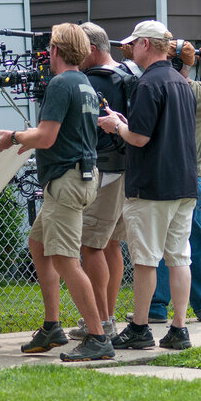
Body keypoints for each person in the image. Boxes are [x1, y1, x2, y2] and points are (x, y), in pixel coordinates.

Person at [0, 22, 114, 362]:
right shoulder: (84, 83)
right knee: (39, 244)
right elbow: (51, 131)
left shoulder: (61, 84)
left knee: (67, 262)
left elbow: (45, 138)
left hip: (66, 182)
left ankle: (98, 337)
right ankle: (52, 326)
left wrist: (13, 138)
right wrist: (20, 134)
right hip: (83, 177)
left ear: (55, 51)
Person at [98, 20, 198, 350]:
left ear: (145, 44)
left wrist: (116, 126)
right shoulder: (181, 82)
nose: (129, 49)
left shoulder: (148, 84)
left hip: (151, 186)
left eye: (133, 44)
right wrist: (127, 125)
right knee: (179, 258)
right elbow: (159, 130)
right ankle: (179, 328)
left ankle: (140, 327)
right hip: (184, 183)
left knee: (145, 260)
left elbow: (139, 138)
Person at [148, 41, 201, 325]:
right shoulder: (199, 91)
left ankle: (157, 307)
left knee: (157, 245)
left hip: (159, 177)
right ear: (187, 65)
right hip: (192, 177)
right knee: (195, 242)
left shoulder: (154, 88)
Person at [67, 22, 140, 342]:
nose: (77, 58)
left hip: (104, 173)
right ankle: (106, 317)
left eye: (81, 52)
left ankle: (100, 322)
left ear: (93, 50)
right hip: (127, 169)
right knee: (111, 245)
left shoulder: (94, 81)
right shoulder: (128, 74)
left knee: (91, 246)